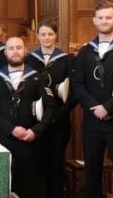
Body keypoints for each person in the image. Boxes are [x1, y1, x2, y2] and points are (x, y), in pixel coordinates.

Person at [72, 0, 113, 198]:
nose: (104, 21)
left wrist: (108, 108)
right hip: (92, 121)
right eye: (100, 18)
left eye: (108, 17)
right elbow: (78, 84)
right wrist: (94, 107)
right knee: (92, 172)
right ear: (94, 20)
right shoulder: (85, 51)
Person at [0, 37, 54, 198]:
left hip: (29, 139)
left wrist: (35, 131)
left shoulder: (37, 77)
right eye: (11, 48)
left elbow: (50, 108)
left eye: (19, 48)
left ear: (25, 51)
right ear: (5, 52)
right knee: (1, 183)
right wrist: (12, 129)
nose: (15, 51)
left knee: (30, 185)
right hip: (2, 138)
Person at [23, 20, 74, 198]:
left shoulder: (66, 60)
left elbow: (74, 91)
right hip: (36, 121)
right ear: (37, 36)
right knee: (38, 162)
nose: (46, 37)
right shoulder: (29, 59)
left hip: (58, 121)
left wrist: (59, 113)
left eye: (50, 34)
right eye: (43, 34)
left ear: (55, 36)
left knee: (56, 163)